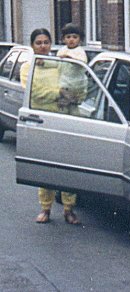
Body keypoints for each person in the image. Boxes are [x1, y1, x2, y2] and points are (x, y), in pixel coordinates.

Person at [20, 28, 81, 225]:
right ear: (32, 45)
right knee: (46, 168)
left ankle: (68, 209)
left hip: (65, 119)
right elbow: (34, 93)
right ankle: (45, 208)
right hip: (42, 122)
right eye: (39, 42)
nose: (43, 46)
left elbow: (73, 85)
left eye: (46, 42)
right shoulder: (27, 68)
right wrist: (60, 93)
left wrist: (67, 93)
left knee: (67, 166)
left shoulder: (59, 64)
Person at [56, 23, 88, 114]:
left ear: (80, 39)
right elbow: (56, 63)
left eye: (75, 37)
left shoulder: (80, 51)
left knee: (74, 110)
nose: (71, 40)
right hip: (63, 84)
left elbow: (82, 62)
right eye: (68, 37)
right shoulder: (62, 50)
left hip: (76, 85)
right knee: (62, 109)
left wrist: (70, 59)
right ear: (63, 39)